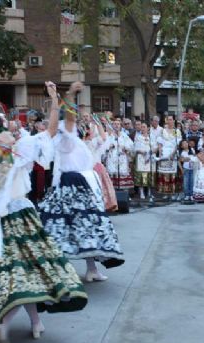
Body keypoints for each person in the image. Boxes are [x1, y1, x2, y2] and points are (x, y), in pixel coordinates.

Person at [0, 90, 86, 343]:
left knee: (16, 274)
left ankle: (8, 322)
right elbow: (48, 134)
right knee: (27, 272)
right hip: (18, 218)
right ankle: (34, 322)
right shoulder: (16, 150)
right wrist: (54, 104)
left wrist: (55, 105)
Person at [38, 81, 124, 282]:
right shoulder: (63, 135)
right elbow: (69, 116)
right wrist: (68, 95)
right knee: (76, 226)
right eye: (72, 119)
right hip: (70, 183)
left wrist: (59, 97)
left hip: (74, 182)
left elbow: (69, 116)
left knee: (83, 227)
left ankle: (90, 268)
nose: (75, 120)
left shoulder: (68, 136)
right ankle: (62, 271)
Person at [105, 118, 134, 190]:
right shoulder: (109, 135)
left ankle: (123, 191)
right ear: (112, 125)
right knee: (112, 172)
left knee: (122, 172)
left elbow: (131, 145)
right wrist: (109, 146)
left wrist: (126, 148)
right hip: (112, 157)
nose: (116, 125)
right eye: (115, 124)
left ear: (120, 126)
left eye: (118, 124)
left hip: (122, 157)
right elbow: (104, 146)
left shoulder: (124, 135)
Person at [156, 115, 180, 198]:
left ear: (174, 120)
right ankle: (165, 193)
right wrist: (160, 152)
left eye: (171, 119)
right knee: (164, 173)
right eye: (168, 119)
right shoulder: (163, 130)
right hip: (164, 153)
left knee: (172, 174)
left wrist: (173, 154)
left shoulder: (176, 131)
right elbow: (159, 142)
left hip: (172, 153)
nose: (169, 121)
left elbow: (178, 143)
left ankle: (172, 192)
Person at [134, 122, 156, 200]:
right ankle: (142, 192)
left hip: (149, 158)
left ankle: (149, 192)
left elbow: (155, 147)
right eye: (142, 127)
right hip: (141, 158)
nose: (143, 128)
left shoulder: (151, 137)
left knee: (149, 175)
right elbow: (135, 148)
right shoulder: (138, 137)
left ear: (147, 128)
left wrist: (151, 152)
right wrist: (142, 152)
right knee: (142, 175)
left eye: (144, 127)